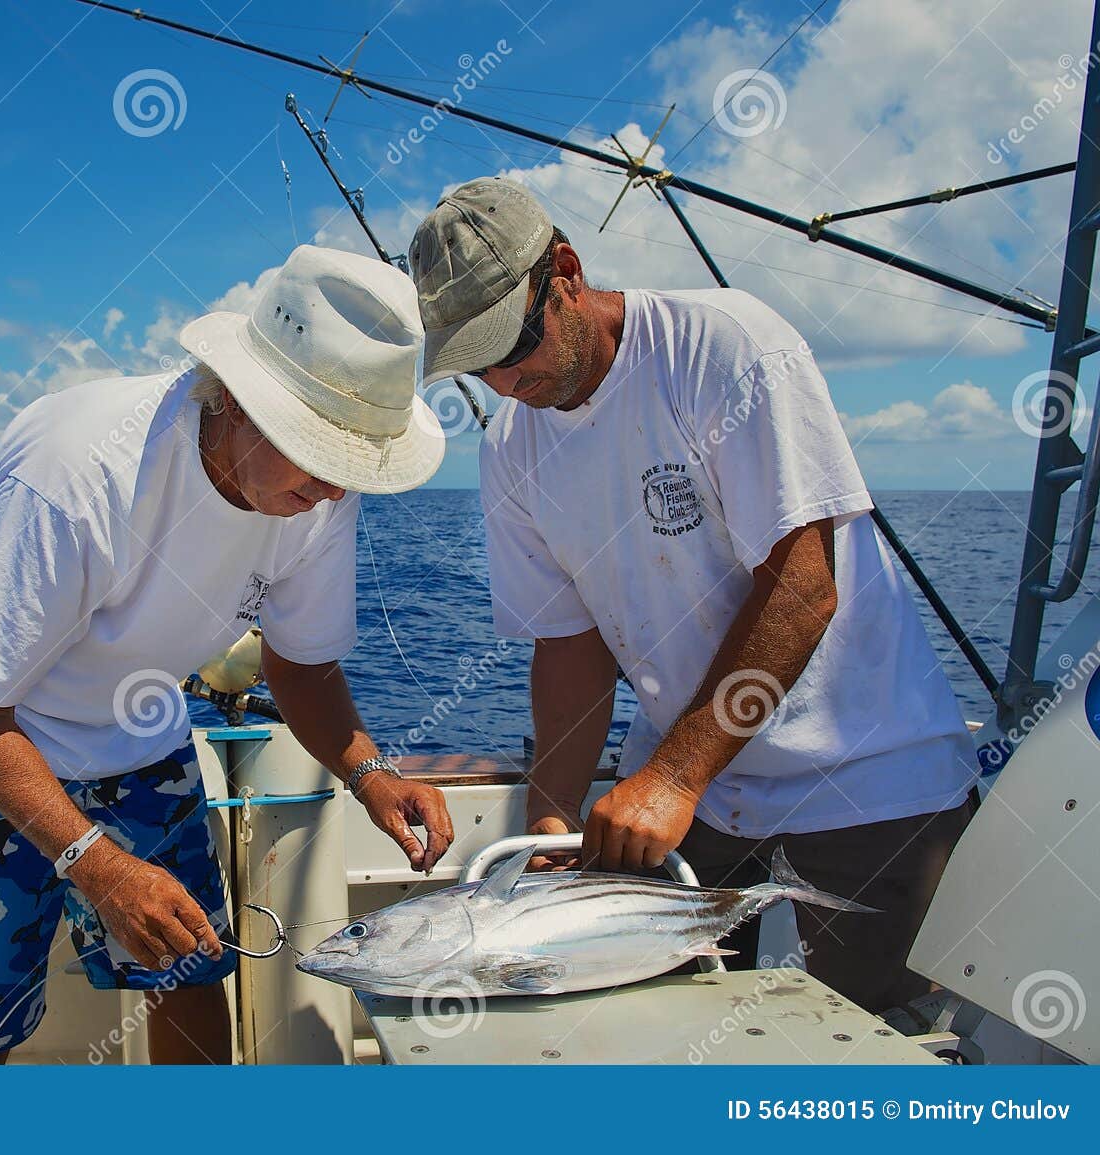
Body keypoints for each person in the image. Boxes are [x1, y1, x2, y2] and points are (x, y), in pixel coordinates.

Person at [408, 177, 978, 1014]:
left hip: (869, 778)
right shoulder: (510, 455)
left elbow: (803, 587)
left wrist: (672, 779)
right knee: (645, 1024)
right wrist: (554, 818)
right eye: (475, 361)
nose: (504, 380)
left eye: (513, 341)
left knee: (878, 1045)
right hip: (700, 787)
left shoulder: (726, 345)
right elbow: (569, 645)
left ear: (565, 270)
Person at [0, 245, 454, 1063]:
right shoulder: (80, 473)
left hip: (134, 719)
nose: (334, 487)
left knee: (190, 964)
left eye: (355, 461)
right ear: (236, 400)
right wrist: (99, 869)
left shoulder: (321, 495)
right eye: (321, 450)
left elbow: (300, 665)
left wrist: (371, 772)